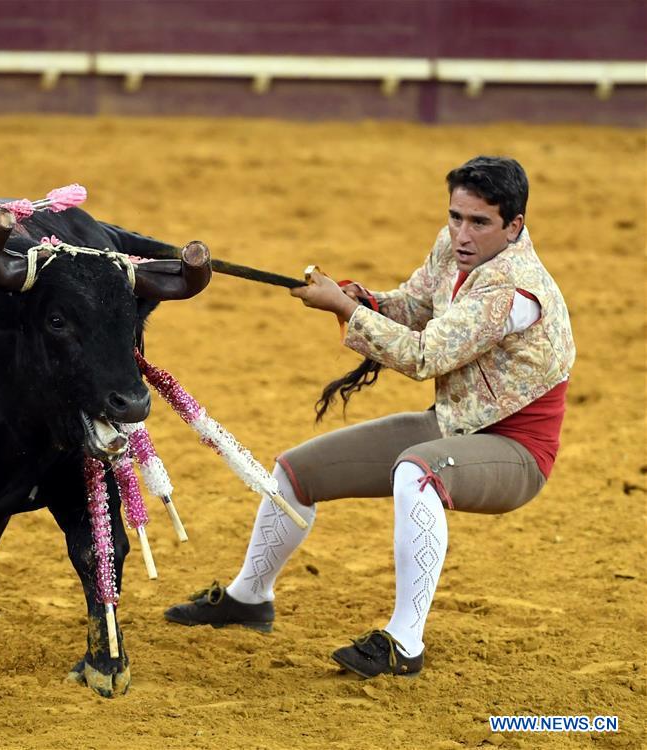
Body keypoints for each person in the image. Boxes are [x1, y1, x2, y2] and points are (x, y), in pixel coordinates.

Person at [164, 156, 575, 679]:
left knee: (415, 473)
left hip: (517, 451)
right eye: (456, 216)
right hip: (455, 424)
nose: (462, 234)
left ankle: (405, 642)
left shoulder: (511, 291)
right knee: (296, 472)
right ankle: (249, 597)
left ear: (514, 225)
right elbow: (415, 305)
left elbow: (425, 355)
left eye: (480, 222)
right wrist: (366, 300)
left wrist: (345, 310)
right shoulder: (453, 249)